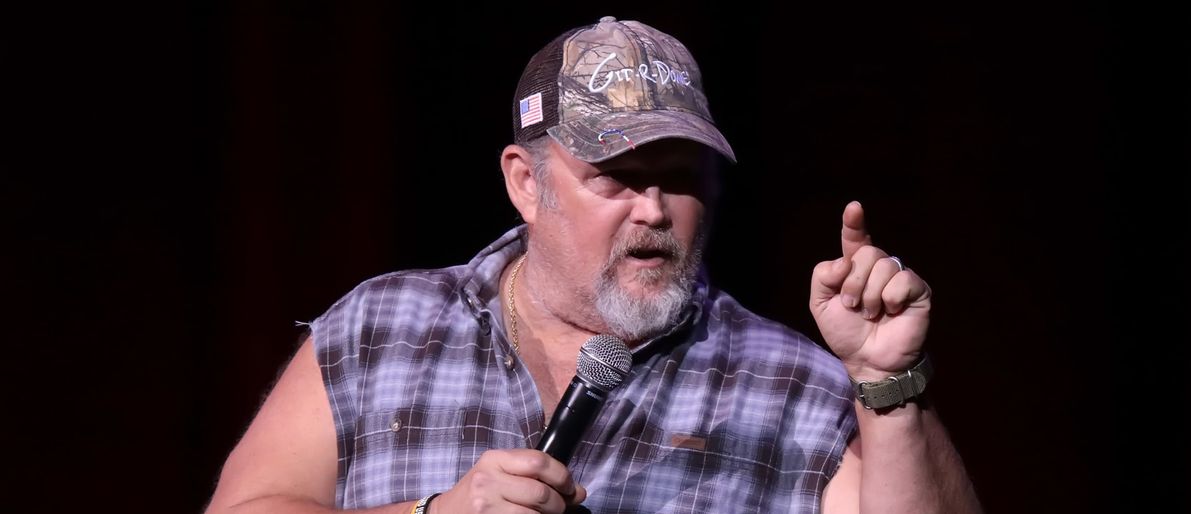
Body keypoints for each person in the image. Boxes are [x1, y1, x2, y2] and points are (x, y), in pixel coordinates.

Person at [206, 16, 982, 514]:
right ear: (526, 183)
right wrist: (434, 513)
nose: (654, 209)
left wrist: (889, 384)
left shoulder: (786, 385)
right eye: (615, 177)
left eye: (680, 177)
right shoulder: (383, 327)